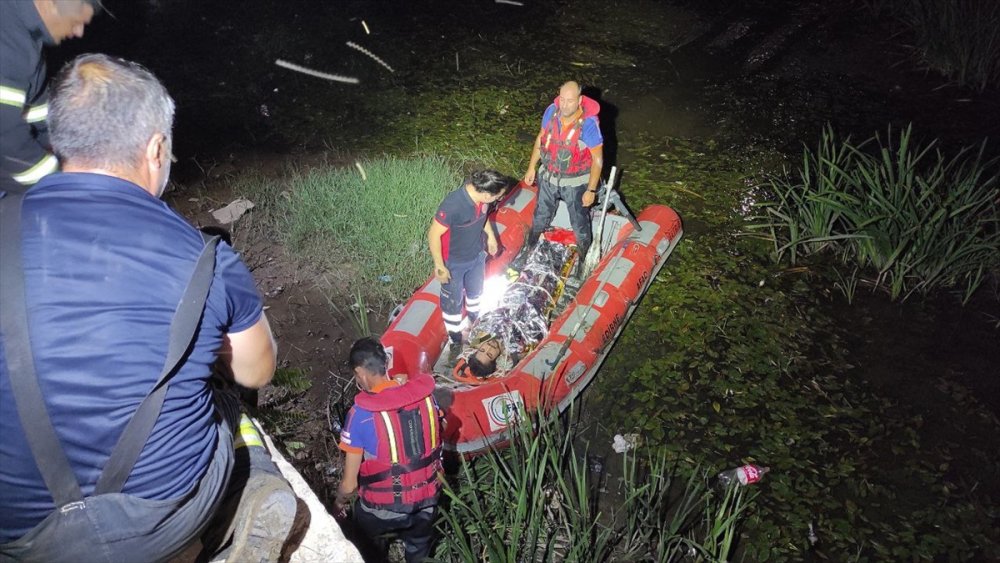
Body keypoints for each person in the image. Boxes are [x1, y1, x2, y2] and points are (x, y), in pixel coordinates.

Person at [0, 53, 294, 562]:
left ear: (56, 142)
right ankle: (250, 489)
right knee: (225, 396)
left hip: (14, 529)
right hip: (160, 517)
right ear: (157, 148)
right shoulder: (207, 259)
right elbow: (258, 369)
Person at [335, 338, 444, 563]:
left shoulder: (361, 415)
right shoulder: (426, 397)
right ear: (387, 363)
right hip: (427, 503)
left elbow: (350, 484)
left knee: (367, 547)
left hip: (382, 511)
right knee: (419, 550)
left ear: (360, 373)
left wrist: (338, 503)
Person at [1, 0, 97, 195]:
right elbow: (6, 141)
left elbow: (36, 106)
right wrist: (62, 185)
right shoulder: (8, 41)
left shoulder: (25, 37)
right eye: (76, 20)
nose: (79, 32)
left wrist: (70, 147)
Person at [456, 236, 574, 381]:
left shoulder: (482, 335)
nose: (489, 347)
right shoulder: (513, 349)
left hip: (515, 294)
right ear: (496, 359)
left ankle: (543, 244)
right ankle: (561, 251)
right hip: (535, 301)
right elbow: (534, 332)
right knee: (546, 275)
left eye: (482, 349)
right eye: (490, 354)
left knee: (530, 270)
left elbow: (490, 315)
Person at [522, 81, 604, 278]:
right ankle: (528, 250)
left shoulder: (589, 125)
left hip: (575, 183)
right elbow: (541, 138)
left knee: (580, 224)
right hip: (549, 177)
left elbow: (598, 159)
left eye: (570, 101)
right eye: (562, 100)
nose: (565, 105)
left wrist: (591, 190)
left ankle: (583, 261)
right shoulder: (552, 112)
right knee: (540, 216)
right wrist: (532, 166)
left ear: (580, 100)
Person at [428, 169, 509, 363]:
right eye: (499, 196)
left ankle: (474, 319)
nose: (500, 199)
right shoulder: (454, 204)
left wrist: (490, 236)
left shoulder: (483, 200)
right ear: (487, 194)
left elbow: (484, 218)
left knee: (476, 292)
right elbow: (433, 235)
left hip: (476, 256)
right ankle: (455, 339)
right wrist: (439, 265)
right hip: (454, 262)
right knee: (452, 303)